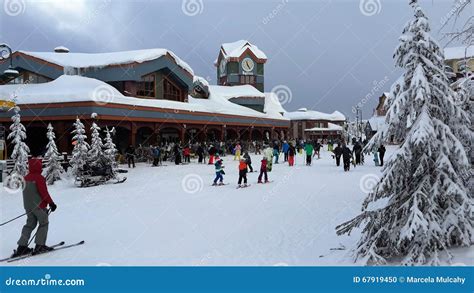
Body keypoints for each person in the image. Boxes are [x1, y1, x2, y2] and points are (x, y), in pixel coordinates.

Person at [13, 158, 58, 257]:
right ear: (38, 166)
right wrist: (51, 203)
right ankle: (40, 246)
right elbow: (44, 193)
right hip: (39, 207)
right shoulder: (39, 178)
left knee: (29, 225)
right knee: (44, 223)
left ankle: (21, 247)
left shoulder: (25, 178)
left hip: (28, 207)